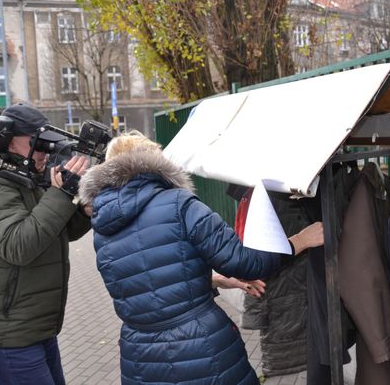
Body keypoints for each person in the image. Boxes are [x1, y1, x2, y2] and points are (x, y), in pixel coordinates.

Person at [78, 130, 324, 385]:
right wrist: (299, 241)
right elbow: (245, 262)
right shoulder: (178, 204)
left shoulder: (103, 227)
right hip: (199, 349)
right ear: (154, 162)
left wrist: (217, 280)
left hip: (140, 356)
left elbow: (149, 288)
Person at [0, 104, 91, 384]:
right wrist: (60, 196)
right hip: (8, 333)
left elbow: (57, 232)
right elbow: (20, 245)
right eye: (37, 144)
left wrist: (82, 209)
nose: (44, 153)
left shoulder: (29, 183)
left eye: (47, 147)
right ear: (6, 140)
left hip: (35, 326)